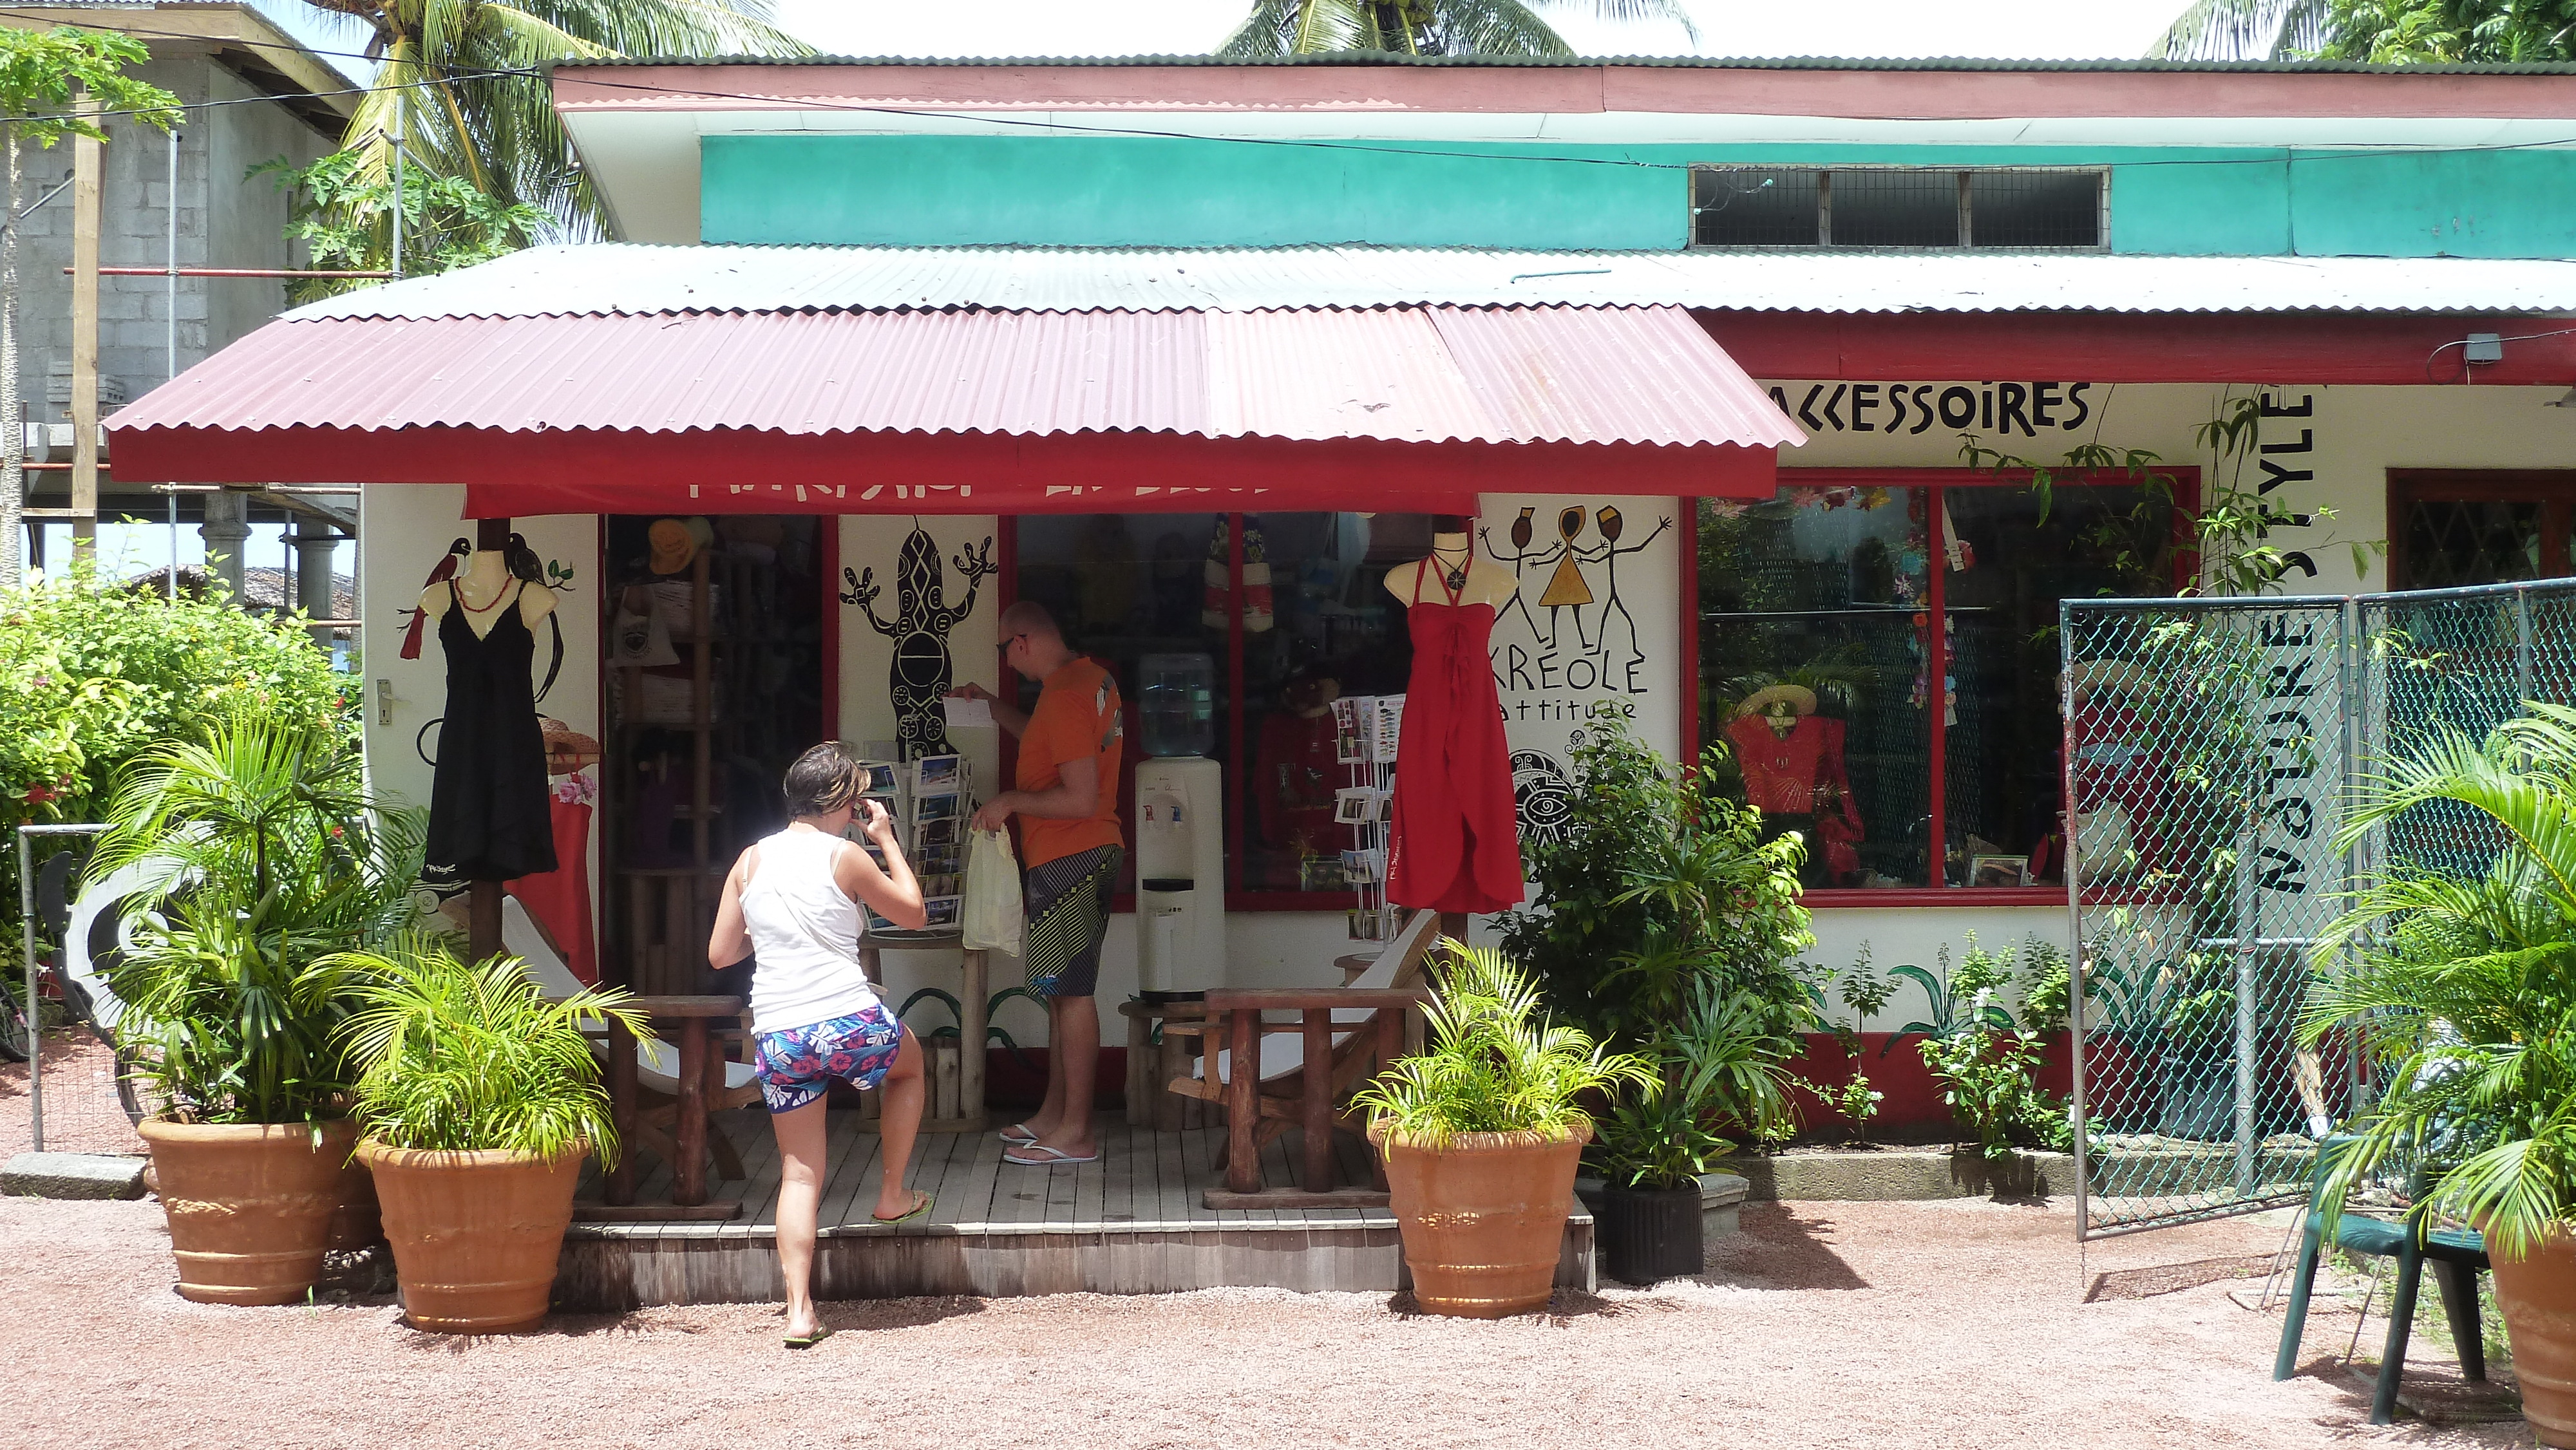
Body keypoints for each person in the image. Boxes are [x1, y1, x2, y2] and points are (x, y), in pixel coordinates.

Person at [707, 742, 931, 1349]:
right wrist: (884, 838)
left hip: (780, 1033)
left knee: (799, 1175)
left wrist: (775, 934)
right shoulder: (846, 855)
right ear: (841, 802)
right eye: (857, 797)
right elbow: (913, 913)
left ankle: (800, 1313)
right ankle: (891, 1192)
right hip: (847, 1020)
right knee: (910, 1070)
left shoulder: (749, 863)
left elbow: (722, 954)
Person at [947, 599, 1124, 1167]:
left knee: (1071, 996)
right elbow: (1049, 743)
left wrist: (1009, 801)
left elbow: (1079, 796)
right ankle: (1054, 1115)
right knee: (1057, 993)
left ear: (1020, 643)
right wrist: (996, 707)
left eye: (1005, 650)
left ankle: (1076, 1132)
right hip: (1071, 854)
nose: (1008, 661)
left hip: (1074, 853)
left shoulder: (1068, 691)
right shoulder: (1082, 681)